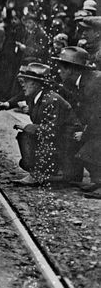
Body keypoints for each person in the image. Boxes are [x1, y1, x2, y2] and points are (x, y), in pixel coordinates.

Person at [12, 63, 78, 186]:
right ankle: (45, 171)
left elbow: (51, 131)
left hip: (68, 142)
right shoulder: (39, 97)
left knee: (26, 136)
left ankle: (46, 173)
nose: (23, 84)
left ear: (36, 84)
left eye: (27, 81)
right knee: (26, 136)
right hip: (61, 139)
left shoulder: (51, 99)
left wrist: (27, 127)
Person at [52, 46, 101, 196]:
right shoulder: (77, 82)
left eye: (62, 69)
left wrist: (85, 134)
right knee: (69, 134)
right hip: (95, 124)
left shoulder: (94, 83)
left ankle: (99, 182)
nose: (59, 72)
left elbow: (97, 115)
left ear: (72, 70)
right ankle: (80, 177)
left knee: (90, 149)